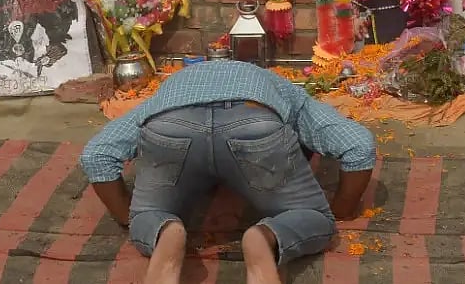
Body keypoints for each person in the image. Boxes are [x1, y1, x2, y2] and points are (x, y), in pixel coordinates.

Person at [79, 60, 377, 284]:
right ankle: (264, 237)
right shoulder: (280, 86)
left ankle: (165, 233)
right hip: (255, 123)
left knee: (149, 214)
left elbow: (97, 155)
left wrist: (132, 218)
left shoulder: (169, 88)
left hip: (170, 123)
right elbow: (358, 146)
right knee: (315, 218)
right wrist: (340, 210)